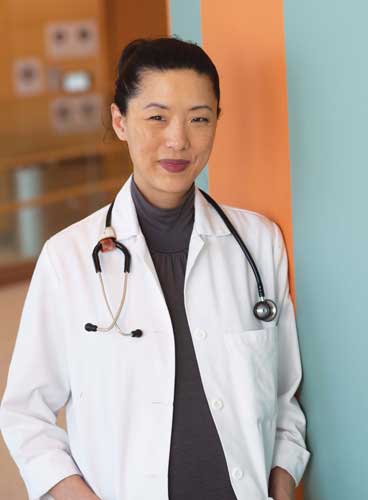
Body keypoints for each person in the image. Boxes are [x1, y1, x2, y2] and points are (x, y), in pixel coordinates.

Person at [0, 37, 310, 500]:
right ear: (120, 121)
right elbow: (26, 414)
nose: (178, 140)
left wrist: (281, 486)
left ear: (217, 123)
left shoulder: (258, 243)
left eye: (200, 118)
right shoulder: (68, 258)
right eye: (157, 117)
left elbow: (285, 399)